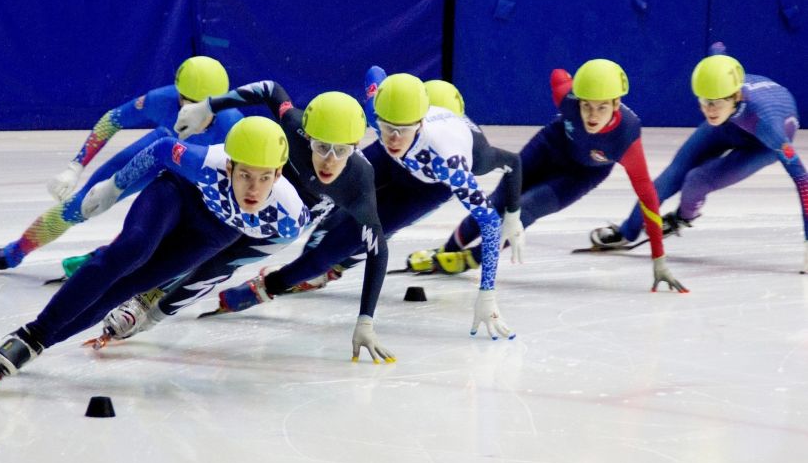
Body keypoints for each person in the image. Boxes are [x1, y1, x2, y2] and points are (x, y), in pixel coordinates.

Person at [0, 116, 309, 380]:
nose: (254, 187)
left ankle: (33, 345)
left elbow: (254, 252)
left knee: (130, 287)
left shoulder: (289, 217)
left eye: (265, 177)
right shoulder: (203, 163)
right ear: (230, 166)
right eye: (246, 175)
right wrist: (112, 188)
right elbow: (162, 148)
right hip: (179, 194)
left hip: (215, 233)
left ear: (278, 174)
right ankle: (35, 331)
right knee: (133, 250)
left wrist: (219, 269)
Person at [95, 82, 396, 363]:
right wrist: (210, 106)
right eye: (321, 147)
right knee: (194, 248)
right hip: (250, 196)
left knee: (220, 266)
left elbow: (377, 248)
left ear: (356, 146)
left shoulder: (358, 180)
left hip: (280, 227)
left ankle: (155, 315)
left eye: (342, 151)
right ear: (307, 136)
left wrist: (366, 320)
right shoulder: (293, 126)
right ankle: (139, 299)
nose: (329, 160)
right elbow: (270, 89)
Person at [216, 70, 525, 340]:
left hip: (427, 187)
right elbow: (375, 72)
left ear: (420, 123)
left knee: (342, 243)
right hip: (391, 164)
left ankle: (269, 286)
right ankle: (323, 265)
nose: (392, 138)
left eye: (402, 130)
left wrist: (489, 286)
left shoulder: (451, 162)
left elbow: (508, 173)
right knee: (333, 208)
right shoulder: (382, 114)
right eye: (386, 127)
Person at [406, 59, 686, 292]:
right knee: (499, 199)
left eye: (602, 107)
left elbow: (647, 195)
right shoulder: (568, 99)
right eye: (586, 105)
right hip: (549, 147)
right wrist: (571, 79)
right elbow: (558, 76)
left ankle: (471, 259)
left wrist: (659, 257)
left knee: (526, 208)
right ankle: (445, 250)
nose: (591, 115)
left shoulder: (626, 136)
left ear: (616, 104)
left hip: (580, 175)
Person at [0, 56, 242, 273]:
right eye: (186, 101)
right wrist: (76, 166)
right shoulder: (163, 100)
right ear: (178, 93)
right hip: (157, 151)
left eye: (204, 105)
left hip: (195, 175)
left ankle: (105, 257)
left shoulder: (234, 126)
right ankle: (13, 254)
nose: (191, 110)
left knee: (158, 228)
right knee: (80, 205)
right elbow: (112, 119)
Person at [590, 50, 807, 273]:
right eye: (703, 101)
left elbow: (802, 179)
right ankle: (627, 231)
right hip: (730, 124)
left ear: (737, 96)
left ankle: (682, 217)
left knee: (697, 181)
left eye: (714, 103)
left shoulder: (768, 125)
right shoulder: (721, 94)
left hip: (761, 146)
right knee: (672, 176)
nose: (708, 110)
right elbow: (717, 54)